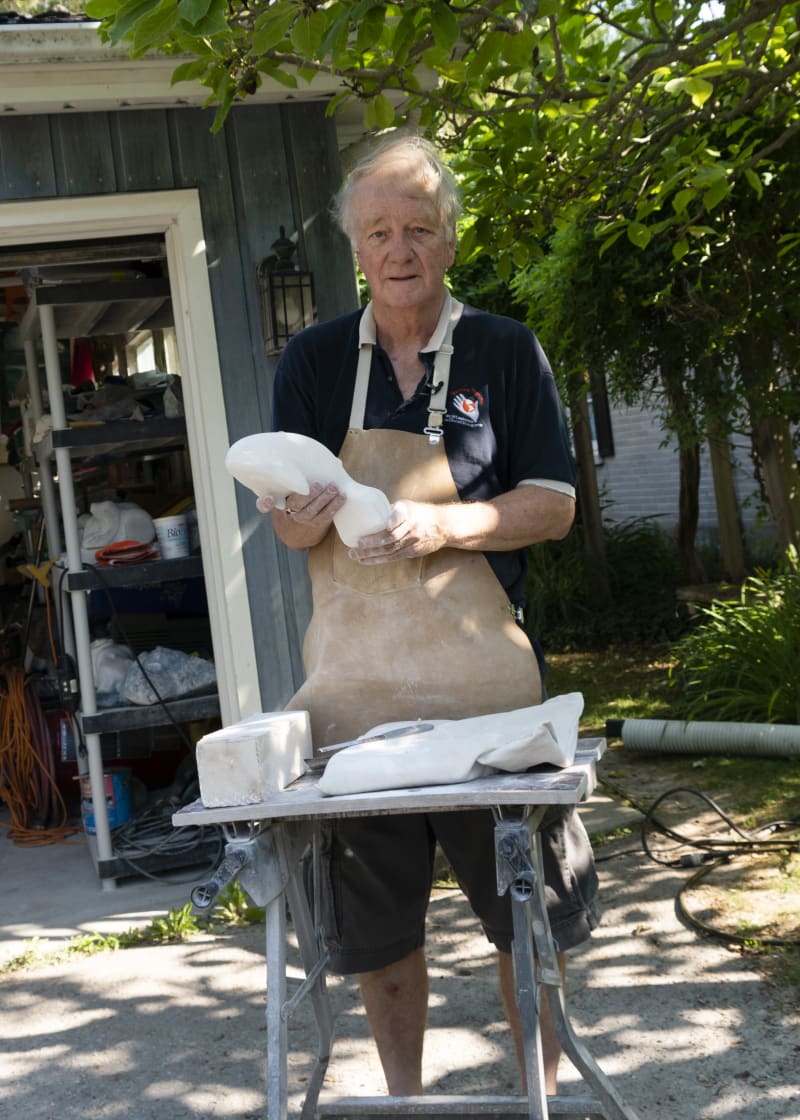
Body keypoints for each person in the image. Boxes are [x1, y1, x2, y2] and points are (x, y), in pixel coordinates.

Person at [257, 134, 600, 1097]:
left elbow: (556, 503)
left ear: (449, 240)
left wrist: (446, 525)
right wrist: (297, 513)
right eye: (379, 232)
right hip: (354, 697)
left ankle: (540, 1097)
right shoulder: (315, 362)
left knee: (523, 918)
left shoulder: (504, 349)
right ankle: (405, 1103)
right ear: (356, 250)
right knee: (377, 934)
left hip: (487, 696)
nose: (399, 249)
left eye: (418, 228)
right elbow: (289, 535)